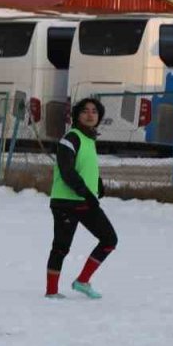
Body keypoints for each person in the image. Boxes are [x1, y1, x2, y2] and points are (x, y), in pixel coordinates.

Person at [46, 98, 116, 299]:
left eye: (94, 111)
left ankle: (82, 281)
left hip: (83, 200)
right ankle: (52, 292)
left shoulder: (89, 139)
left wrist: (97, 184)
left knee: (109, 240)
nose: (90, 114)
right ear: (77, 115)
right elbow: (67, 171)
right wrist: (86, 193)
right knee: (61, 247)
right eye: (85, 111)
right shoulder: (71, 137)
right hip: (67, 202)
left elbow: (83, 167)